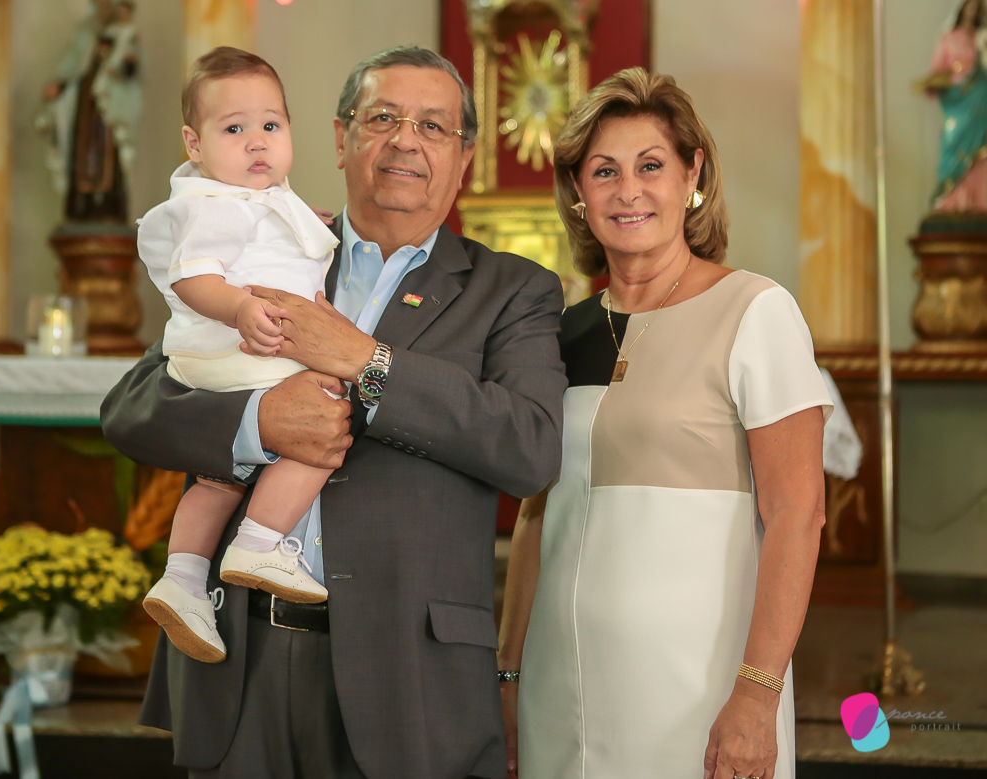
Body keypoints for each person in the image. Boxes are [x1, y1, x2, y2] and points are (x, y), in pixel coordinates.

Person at [101, 46, 566, 779]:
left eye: (433, 126)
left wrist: (367, 362)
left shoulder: (512, 290)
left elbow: (529, 448)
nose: (405, 140)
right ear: (342, 138)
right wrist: (259, 422)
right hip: (240, 656)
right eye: (382, 118)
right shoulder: (272, 243)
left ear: (465, 157)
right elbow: (132, 407)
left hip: (408, 678)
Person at [497, 68, 832, 779]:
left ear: (692, 174)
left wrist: (757, 693)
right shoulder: (559, 333)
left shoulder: (756, 311)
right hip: (559, 690)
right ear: (579, 193)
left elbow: (798, 514)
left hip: (698, 694)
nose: (628, 190)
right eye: (604, 171)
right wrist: (508, 674)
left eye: (650, 166)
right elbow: (534, 517)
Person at [136, 47, 339, 666]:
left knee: (218, 474)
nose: (257, 142)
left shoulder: (257, 199)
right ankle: (261, 540)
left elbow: (269, 237)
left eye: (271, 125)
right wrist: (239, 308)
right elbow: (192, 278)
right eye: (234, 129)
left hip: (217, 357)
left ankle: (182, 579)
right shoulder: (217, 205)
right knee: (326, 415)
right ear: (194, 144)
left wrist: (302, 226)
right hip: (238, 346)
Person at [36, 0, 142, 221]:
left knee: (109, 153)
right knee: (81, 149)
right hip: (85, 102)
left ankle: (108, 205)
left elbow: (132, 71)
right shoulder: (85, 33)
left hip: (108, 106)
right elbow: (72, 65)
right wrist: (60, 85)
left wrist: (127, 66)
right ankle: (81, 205)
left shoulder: (126, 34)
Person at [921, 0, 987, 211]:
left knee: (980, 150)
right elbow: (937, 72)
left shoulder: (981, 38)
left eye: (977, 7)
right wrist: (935, 83)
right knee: (954, 144)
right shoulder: (949, 39)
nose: (972, 11)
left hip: (980, 101)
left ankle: (978, 199)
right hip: (958, 103)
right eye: (970, 6)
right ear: (962, 8)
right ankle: (950, 197)